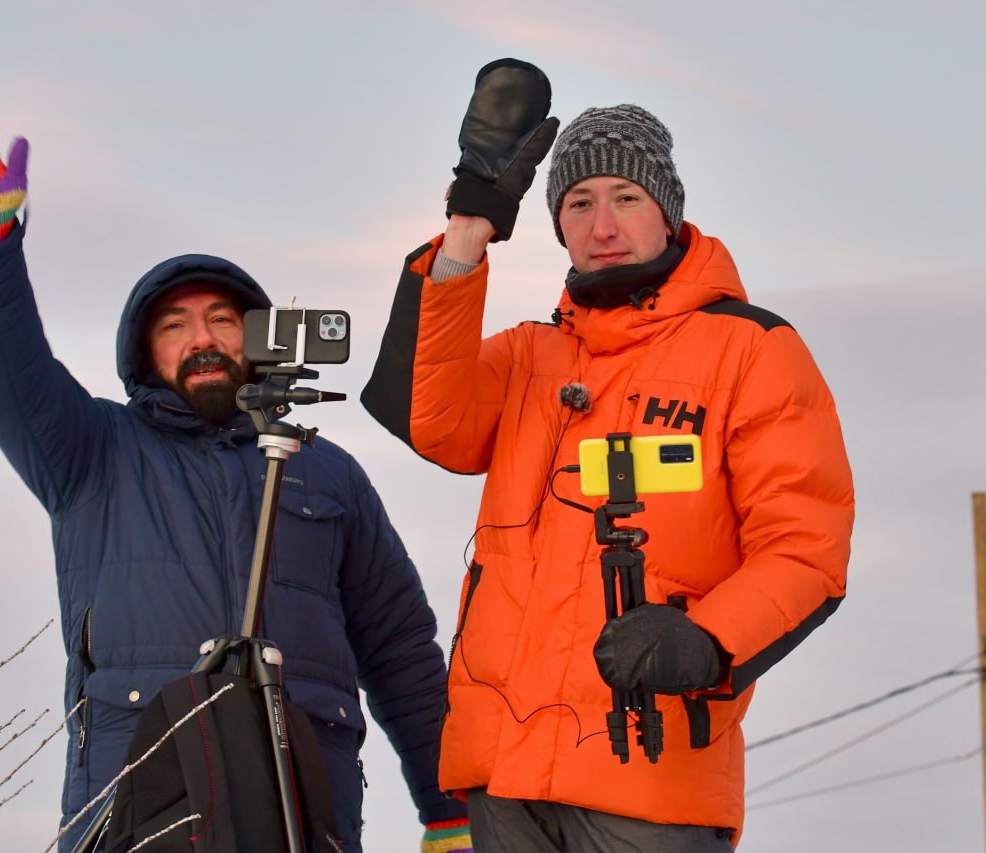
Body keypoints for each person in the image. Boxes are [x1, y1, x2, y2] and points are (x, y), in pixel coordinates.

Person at [0, 94, 471, 853]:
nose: (201, 338)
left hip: (306, 801)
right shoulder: (91, 451)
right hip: (141, 800)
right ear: (147, 351)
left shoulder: (328, 475)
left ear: (256, 336)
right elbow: (2, 369)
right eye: (174, 324)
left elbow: (401, 649)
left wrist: (449, 809)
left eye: (221, 320)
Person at [361, 59, 854, 850]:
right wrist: (470, 221)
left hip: (651, 777)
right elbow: (426, 412)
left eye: (626, 198)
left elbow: (808, 547)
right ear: (558, 225)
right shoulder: (528, 357)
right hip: (503, 781)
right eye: (580, 203)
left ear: (668, 213)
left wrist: (710, 637)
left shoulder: (753, 349)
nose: (604, 225)